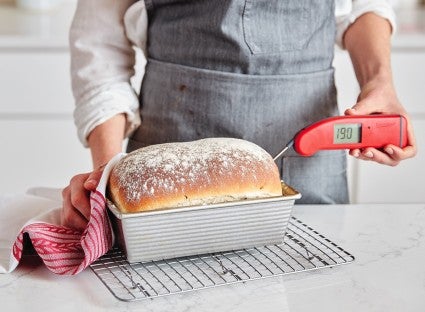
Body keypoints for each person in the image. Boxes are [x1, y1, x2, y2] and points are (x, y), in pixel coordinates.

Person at [62, 0, 417, 231]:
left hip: (308, 162)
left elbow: (362, 6)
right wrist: (108, 181)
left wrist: (380, 82)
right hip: (166, 167)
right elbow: (100, 45)